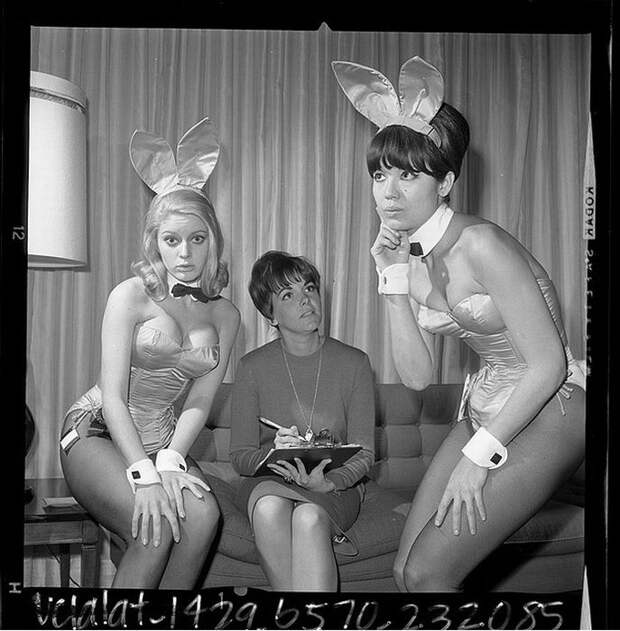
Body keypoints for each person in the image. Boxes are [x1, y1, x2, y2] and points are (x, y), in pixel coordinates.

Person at [332, 56, 585, 591]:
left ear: (445, 181)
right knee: (404, 571)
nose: (388, 192)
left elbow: (549, 364)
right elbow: (418, 377)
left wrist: (479, 456)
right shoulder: (411, 260)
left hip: (553, 405)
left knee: (429, 572)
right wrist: (392, 278)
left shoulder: (481, 244)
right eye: (380, 174)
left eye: (408, 174)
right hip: (486, 401)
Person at [59, 118, 240, 589]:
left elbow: (200, 400)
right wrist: (144, 474)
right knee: (154, 526)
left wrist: (172, 460)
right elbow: (113, 397)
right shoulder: (130, 295)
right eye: (171, 240)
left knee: (203, 516)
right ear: (155, 242)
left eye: (197, 239)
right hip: (97, 429)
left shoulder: (226, 315)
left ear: (214, 240)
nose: (185, 254)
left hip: (163, 440)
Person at [229, 250, 375, 591]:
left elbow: (365, 453)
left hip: (334, 484)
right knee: (268, 509)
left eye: (309, 288)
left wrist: (330, 483)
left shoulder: (355, 362)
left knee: (309, 517)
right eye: (287, 295)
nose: (305, 300)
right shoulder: (251, 367)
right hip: (270, 481)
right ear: (271, 314)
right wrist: (272, 455)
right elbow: (239, 456)